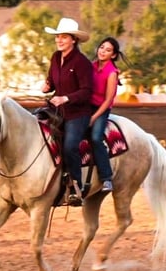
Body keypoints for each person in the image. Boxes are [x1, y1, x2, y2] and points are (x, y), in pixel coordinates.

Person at [42, 17, 94, 206]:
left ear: (74, 40)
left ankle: (76, 187)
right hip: (56, 109)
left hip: (78, 113)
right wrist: (47, 86)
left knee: (70, 146)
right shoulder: (56, 58)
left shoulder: (82, 63)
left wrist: (66, 98)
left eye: (64, 37)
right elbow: (52, 81)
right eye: (58, 37)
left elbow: (87, 91)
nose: (59, 40)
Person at [90, 37, 127, 193]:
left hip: (101, 108)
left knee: (96, 138)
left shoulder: (112, 72)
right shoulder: (91, 66)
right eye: (101, 47)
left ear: (113, 55)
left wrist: (93, 117)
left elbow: (108, 100)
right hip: (86, 106)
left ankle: (106, 178)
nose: (103, 51)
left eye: (107, 50)